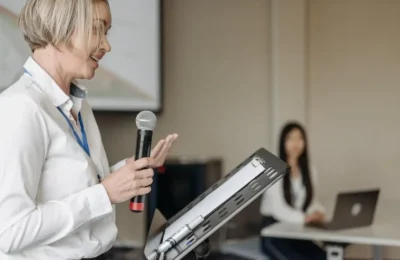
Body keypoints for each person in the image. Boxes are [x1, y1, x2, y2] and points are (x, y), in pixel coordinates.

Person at [0, 1, 178, 259]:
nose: (107, 45)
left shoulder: (79, 107)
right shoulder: (21, 108)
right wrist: (104, 194)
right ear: (62, 28)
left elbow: (68, 187)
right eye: (97, 30)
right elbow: (9, 231)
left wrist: (126, 172)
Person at [259, 122, 326, 260]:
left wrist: (318, 211)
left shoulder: (309, 169)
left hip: (296, 231)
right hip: (273, 232)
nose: (296, 143)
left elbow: (310, 200)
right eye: (290, 139)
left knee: (325, 257)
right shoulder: (273, 169)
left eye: (300, 138)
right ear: (283, 142)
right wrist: (305, 218)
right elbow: (279, 209)